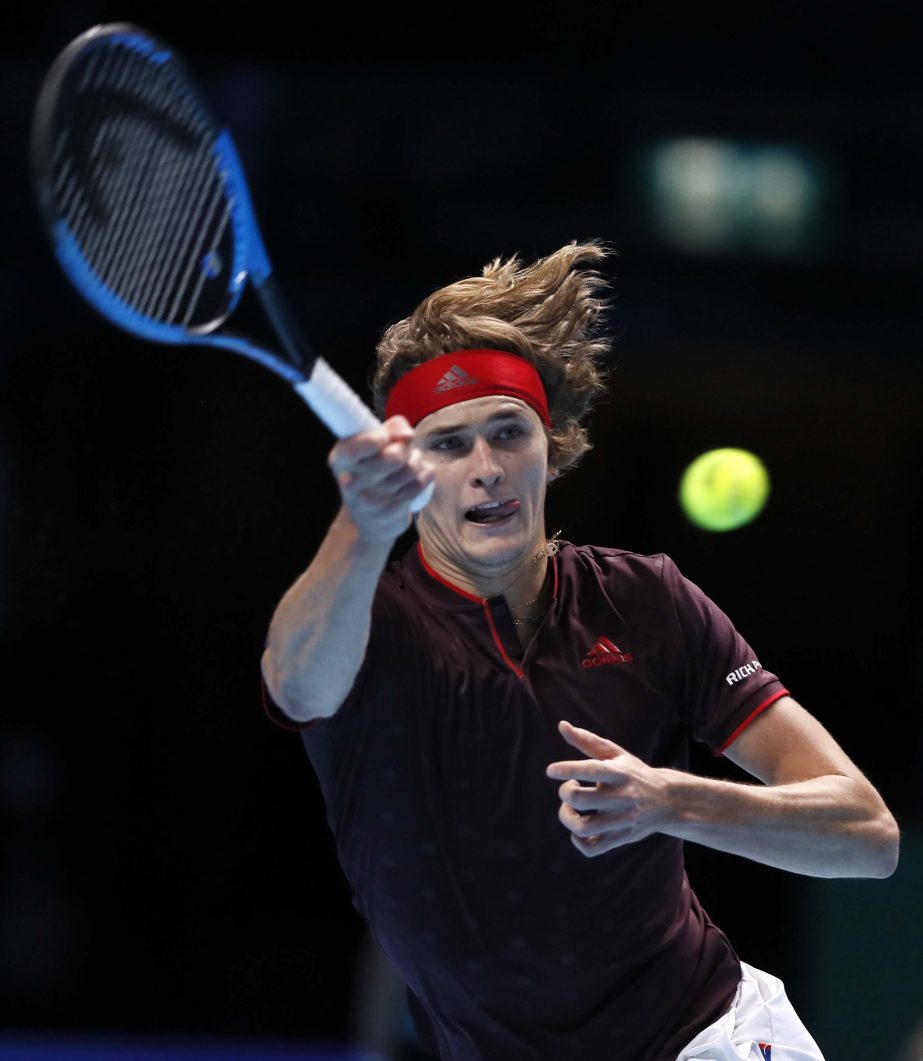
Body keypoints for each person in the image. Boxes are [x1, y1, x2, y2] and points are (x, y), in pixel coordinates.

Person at [261, 242, 899, 1061]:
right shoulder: (368, 623)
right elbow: (295, 680)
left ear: (550, 445)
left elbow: (866, 833)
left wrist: (669, 800)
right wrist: (361, 523)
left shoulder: (645, 601)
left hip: (705, 1035)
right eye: (448, 444)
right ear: (410, 467)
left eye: (506, 433)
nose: (486, 468)